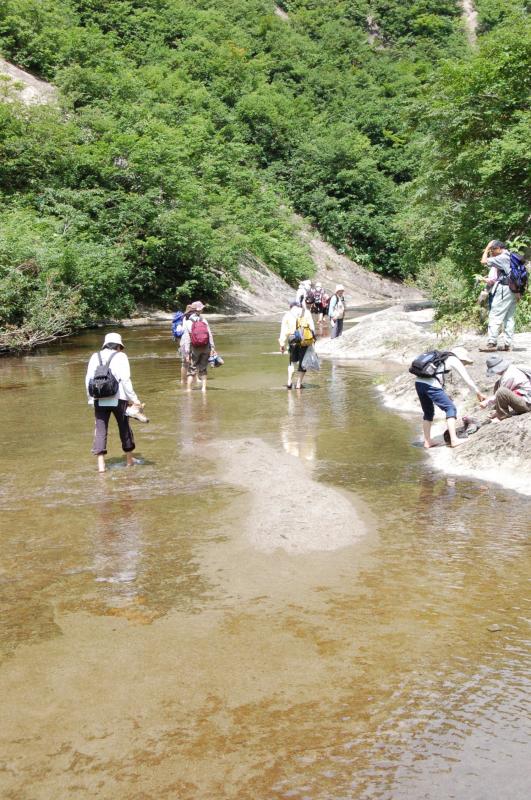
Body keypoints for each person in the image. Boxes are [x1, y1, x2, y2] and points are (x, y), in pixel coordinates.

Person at [86, 332, 141, 473]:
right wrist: (135, 400)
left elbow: (88, 379)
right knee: (124, 428)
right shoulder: (121, 356)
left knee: (100, 430)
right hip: (119, 398)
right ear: (118, 345)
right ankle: (129, 461)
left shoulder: (94, 356)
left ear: (105, 344)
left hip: (99, 399)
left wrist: (91, 399)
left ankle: (101, 467)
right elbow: (125, 380)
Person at [414, 346, 485, 448]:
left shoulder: (441, 358)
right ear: (461, 358)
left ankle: (427, 441)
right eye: (464, 361)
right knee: (450, 408)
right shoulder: (454, 359)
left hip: (419, 383)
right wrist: (478, 392)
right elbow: (467, 379)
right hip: (431, 385)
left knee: (428, 412)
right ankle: (454, 440)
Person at [477, 240, 517, 352]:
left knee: (495, 315)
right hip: (513, 290)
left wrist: (486, 247)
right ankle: (508, 344)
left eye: (492, 250)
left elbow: (483, 261)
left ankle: (491, 343)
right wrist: (518, 292)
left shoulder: (502, 257)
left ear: (498, 248)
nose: (491, 252)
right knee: (509, 318)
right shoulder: (511, 256)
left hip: (504, 290)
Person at [480, 355, 531, 420]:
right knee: (498, 384)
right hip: (523, 399)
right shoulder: (511, 368)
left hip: (527, 404)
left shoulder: (509, 375)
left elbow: (500, 394)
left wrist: (485, 403)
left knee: (501, 391)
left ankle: (502, 416)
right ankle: (497, 410)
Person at [279, 300, 315, 389]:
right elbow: (312, 328)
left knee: (292, 362)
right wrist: (312, 341)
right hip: (305, 340)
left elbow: (283, 331)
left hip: (292, 340)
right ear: (299, 306)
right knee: (303, 362)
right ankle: (298, 384)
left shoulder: (287, 315)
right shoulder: (306, 312)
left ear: (290, 307)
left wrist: (282, 344)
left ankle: (289, 382)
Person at [180, 301, 215, 392]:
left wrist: (187, 352)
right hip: (205, 347)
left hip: (195, 348)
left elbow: (187, 338)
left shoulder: (188, 322)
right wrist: (212, 348)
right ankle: (203, 389)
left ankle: (188, 389)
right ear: (199, 310)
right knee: (203, 368)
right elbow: (210, 334)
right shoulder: (204, 320)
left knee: (192, 368)